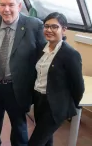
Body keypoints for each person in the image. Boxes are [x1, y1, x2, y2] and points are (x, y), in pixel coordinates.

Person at [0, 0, 46, 146]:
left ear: (19, 6)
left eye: (11, 5)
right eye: (2, 5)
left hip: (18, 87)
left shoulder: (34, 25)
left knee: (19, 128)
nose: (6, 9)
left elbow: (43, 57)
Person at [28, 12, 85, 146]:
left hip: (55, 107)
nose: (49, 30)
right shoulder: (42, 49)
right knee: (47, 140)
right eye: (46, 26)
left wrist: (67, 107)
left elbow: (78, 86)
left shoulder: (70, 54)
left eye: (54, 27)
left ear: (64, 29)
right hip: (39, 101)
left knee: (35, 142)